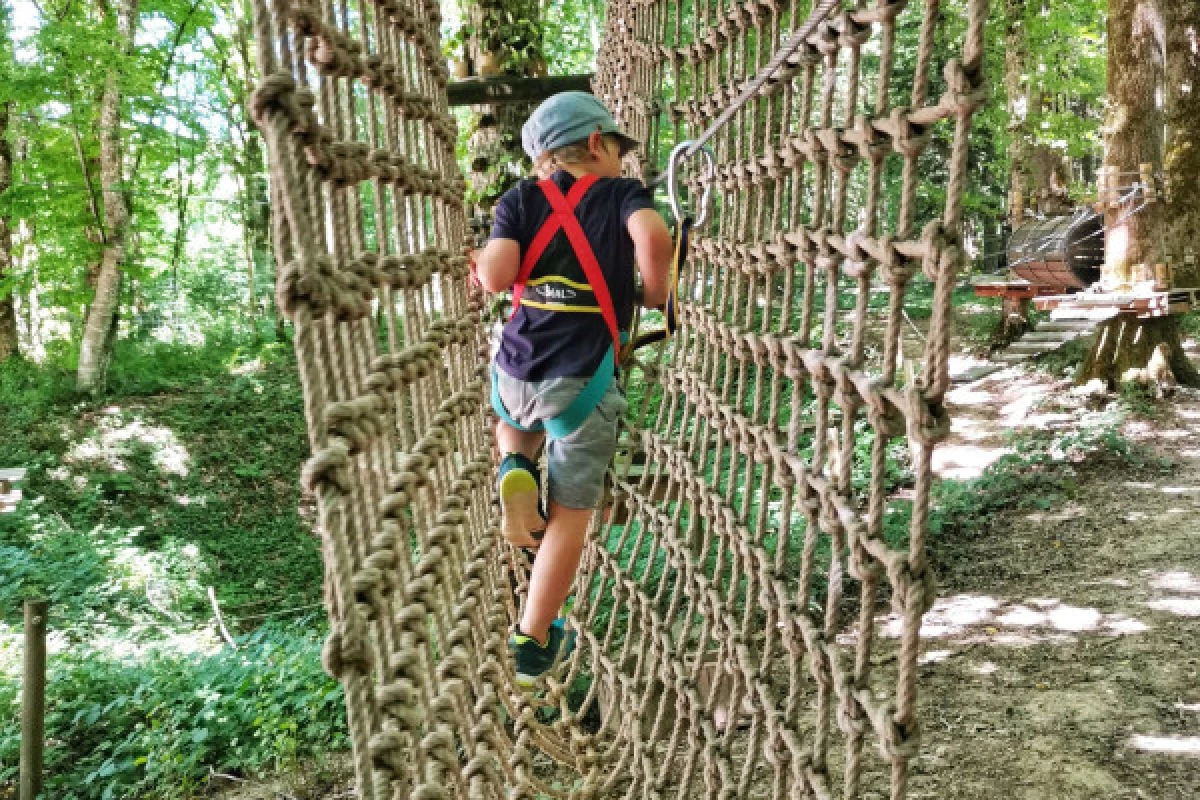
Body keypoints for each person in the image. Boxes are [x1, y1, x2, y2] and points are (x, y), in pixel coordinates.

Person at [469, 92, 674, 686]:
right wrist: (657, 293)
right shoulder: (622, 194)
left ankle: (514, 460)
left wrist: (480, 268)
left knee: (514, 412)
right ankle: (533, 632)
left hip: (518, 368)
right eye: (616, 149)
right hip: (581, 380)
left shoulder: (518, 200)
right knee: (570, 513)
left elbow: (498, 275)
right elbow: (653, 239)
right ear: (594, 144)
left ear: (541, 162)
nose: (620, 160)